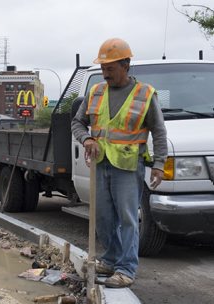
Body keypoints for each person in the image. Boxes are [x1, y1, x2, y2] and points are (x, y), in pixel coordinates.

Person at [71, 38, 168, 288]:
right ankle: (111, 258)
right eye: (103, 69)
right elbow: (77, 123)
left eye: (110, 69)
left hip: (127, 165)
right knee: (103, 217)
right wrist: (87, 138)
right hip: (101, 163)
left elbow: (158, 131)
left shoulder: (145, 94)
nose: (105, 74)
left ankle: (126, 268)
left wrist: (159, 163)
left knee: (127, 218)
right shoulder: (96, 92)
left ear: (126, 64)